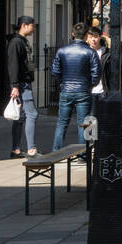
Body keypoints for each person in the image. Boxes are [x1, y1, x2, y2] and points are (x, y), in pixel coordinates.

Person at [50, 22, 101, 151]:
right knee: (83, 124)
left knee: (62, 123)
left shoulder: (62, 51)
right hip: (83, 90)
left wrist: (62, 83)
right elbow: (96, 73)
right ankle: (82, 154)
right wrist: (90, 85)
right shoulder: (90, 52)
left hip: (66, 90)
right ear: (86, 36)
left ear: (73, 34)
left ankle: (56, 151)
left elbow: (55, 71)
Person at [7, 16, 39, 158]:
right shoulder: (16, 43)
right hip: (22, 84)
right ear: (24, 26)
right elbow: (13, 65)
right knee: (32, 114)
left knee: (20, 117)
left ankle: (16, 149)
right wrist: (15, 85)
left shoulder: (20, 42)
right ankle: (31, 149)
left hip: (21, 83)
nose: (34, 28)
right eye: (32, 25)